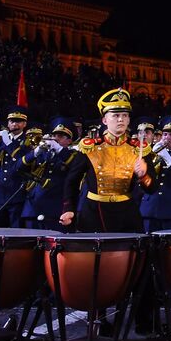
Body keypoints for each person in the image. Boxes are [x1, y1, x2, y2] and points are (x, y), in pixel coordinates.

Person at [66, 89, 147, 233]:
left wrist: (144, 176)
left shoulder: (138, 149)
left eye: (125, 115)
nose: (121, 119)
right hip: (94, 213)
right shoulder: (90, 147)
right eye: (116, 115)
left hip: (126, 213)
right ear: (104, 120)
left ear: (129, 120)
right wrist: (69, 209)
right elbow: (72, 181)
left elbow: (151, 188)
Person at [20, 117, 86, 230]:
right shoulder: (42, 153)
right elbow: (17, 169)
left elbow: (75, 167)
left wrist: (59, 150)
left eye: (60, 136)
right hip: (33, 209)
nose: (55, 138)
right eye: (54, 135)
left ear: (69, 141)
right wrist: (35, 152)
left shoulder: (74, 155)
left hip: (56, 210)